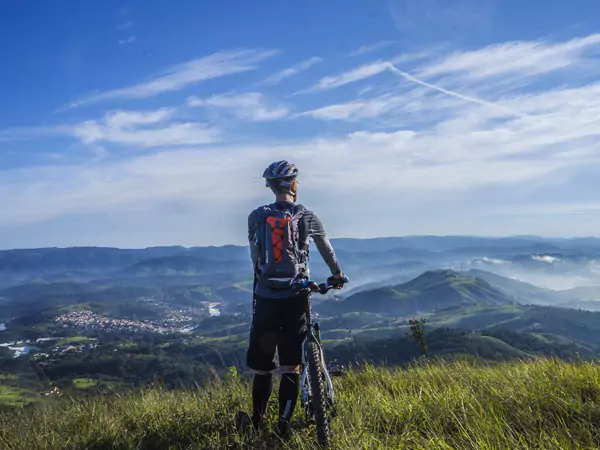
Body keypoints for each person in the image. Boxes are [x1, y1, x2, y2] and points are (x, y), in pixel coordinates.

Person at [239, 160, 346, 437]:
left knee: (262, 370)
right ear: (294, 184)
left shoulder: (256, 217)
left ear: (271, 186)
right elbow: (327, 250)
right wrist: (337, 275)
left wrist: (262, 284)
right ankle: (283, 427)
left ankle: (256, 425)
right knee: (291, 366)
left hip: (265, 299)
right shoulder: (307, 216)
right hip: (295, 298)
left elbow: (255, 259)